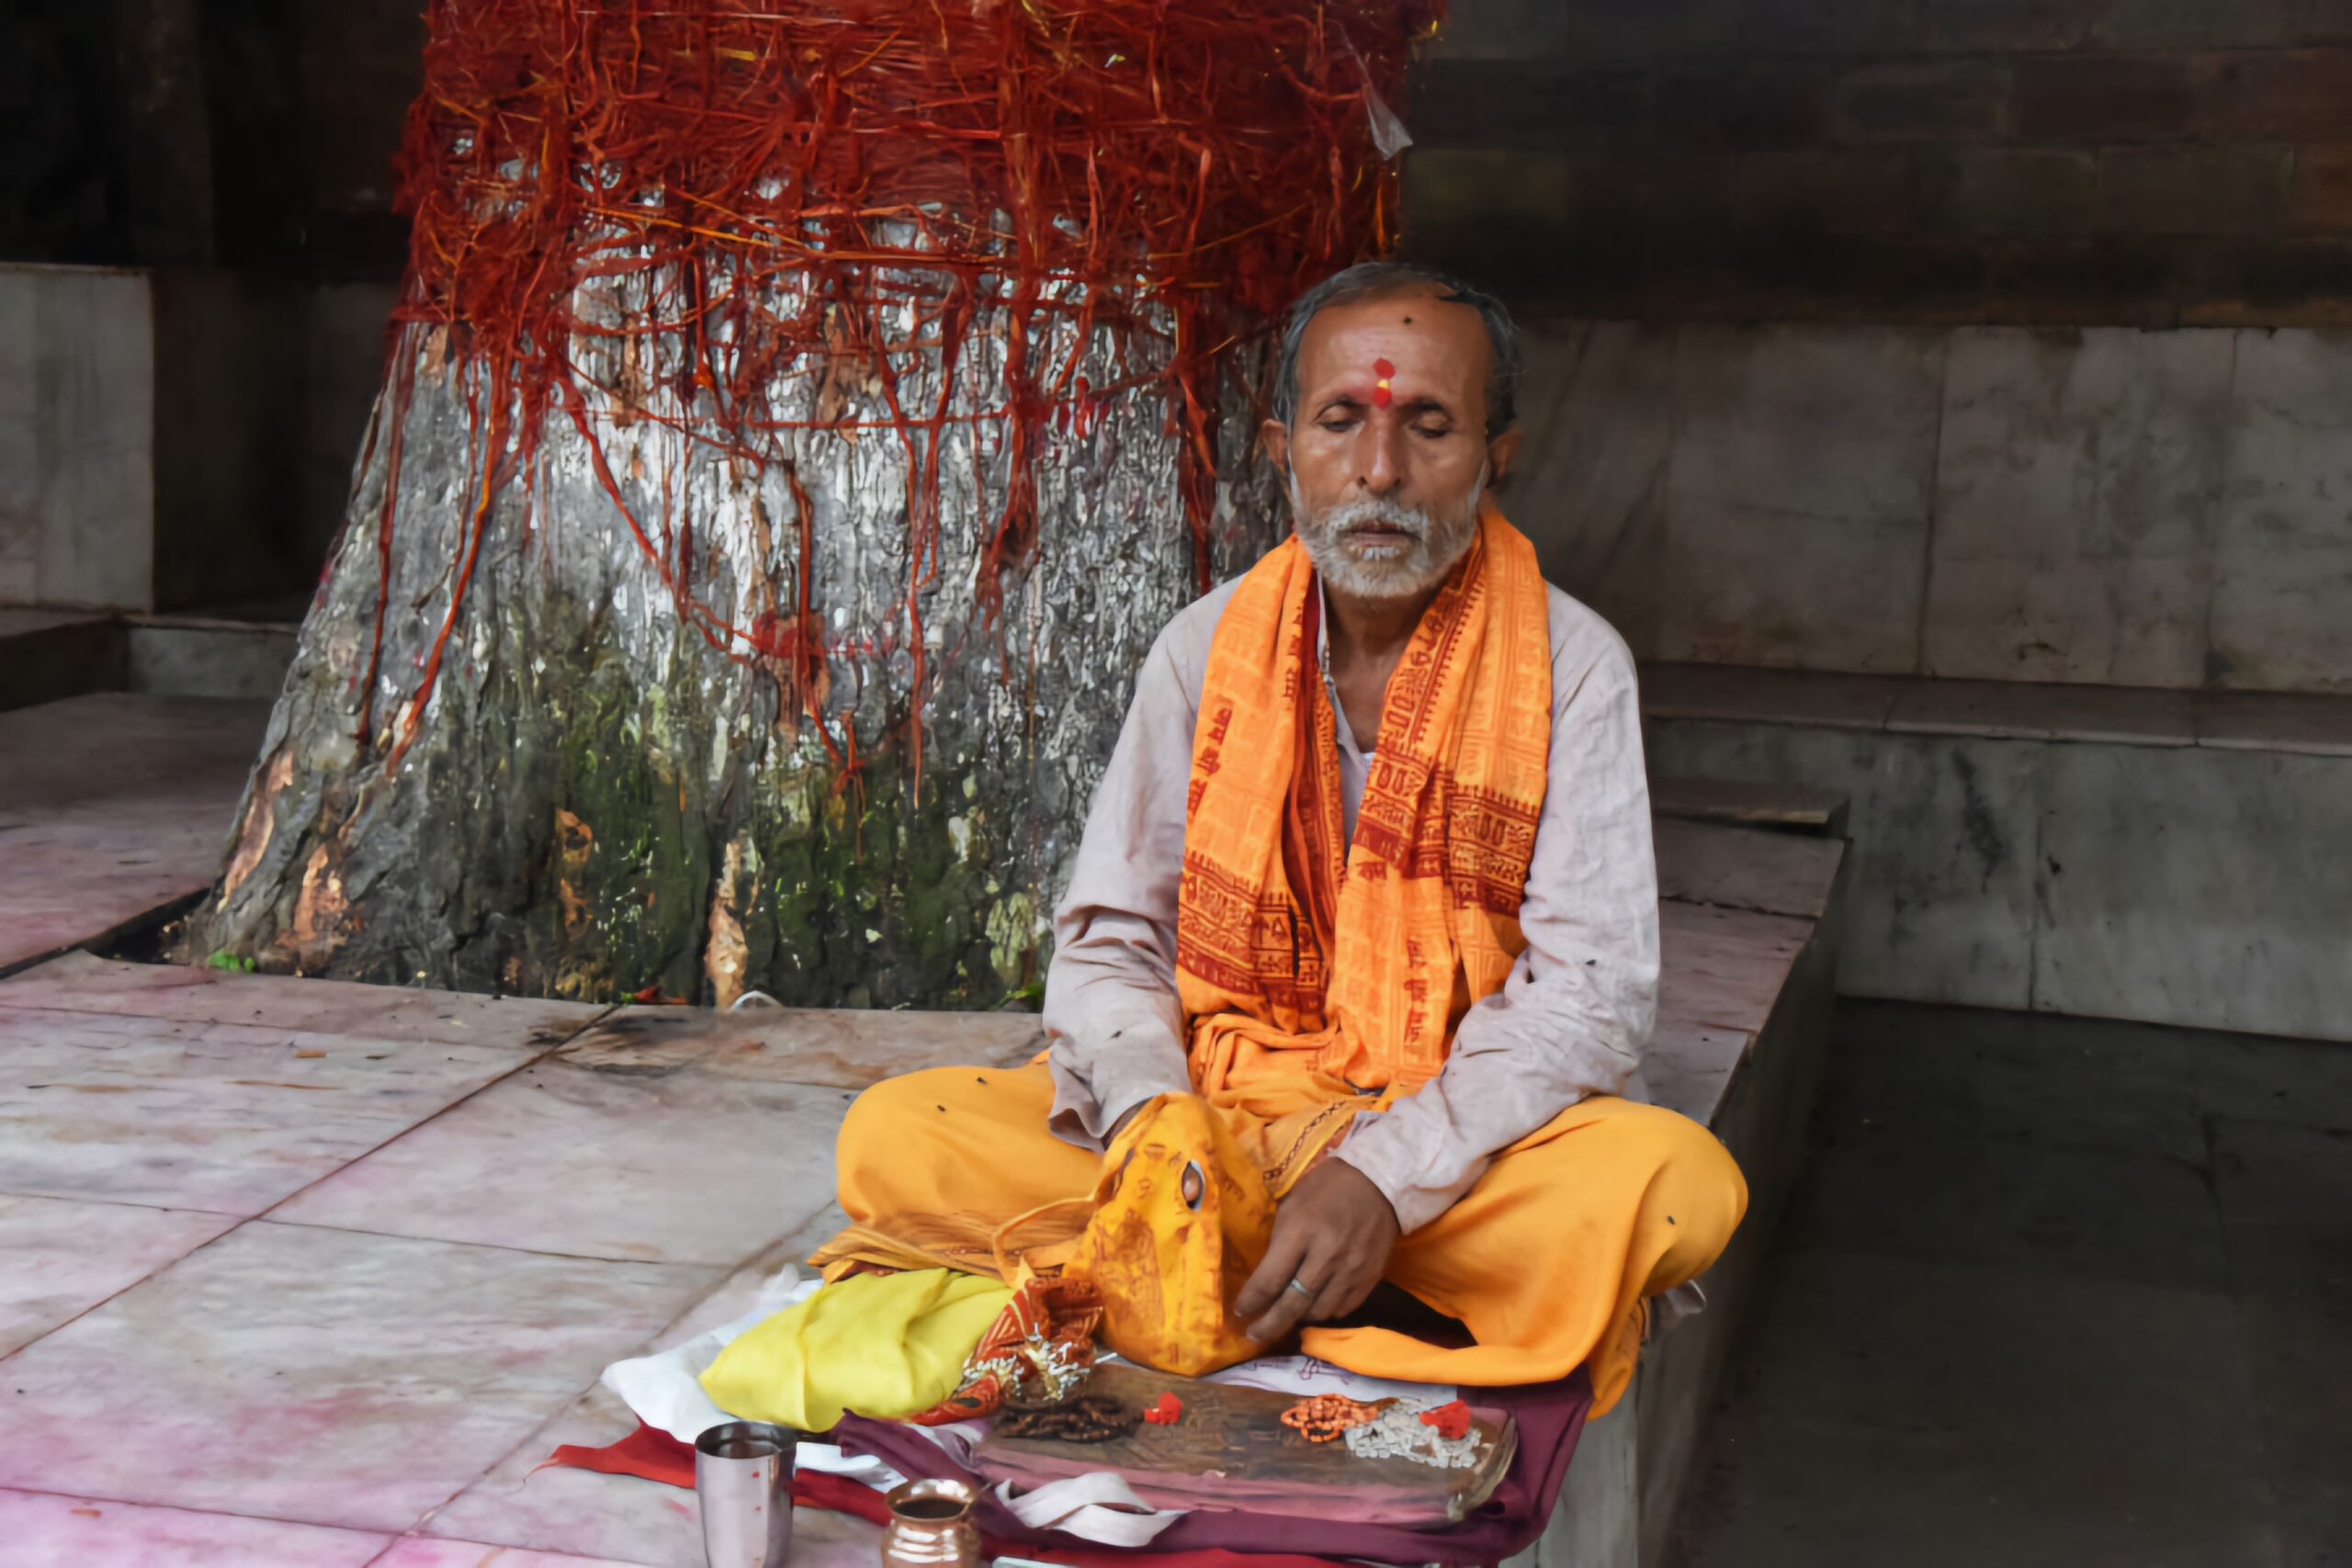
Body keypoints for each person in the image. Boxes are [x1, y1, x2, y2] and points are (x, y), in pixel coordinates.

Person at [814, 261, 1746, 1414]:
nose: (1380, 472)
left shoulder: (1574, 664)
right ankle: (1290, 1264)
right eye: (1340, 420)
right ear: (1281, 445)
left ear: (1498, 457)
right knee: (897, 1137)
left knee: (1671, 1188)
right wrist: (1162, 1132)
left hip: (1445, 1142)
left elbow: (1593, 993)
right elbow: (1111, 941)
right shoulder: (1202, 650)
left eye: (1430, 426)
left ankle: (1249, 1262)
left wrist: (1379, 1177)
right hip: (1217, 1115)